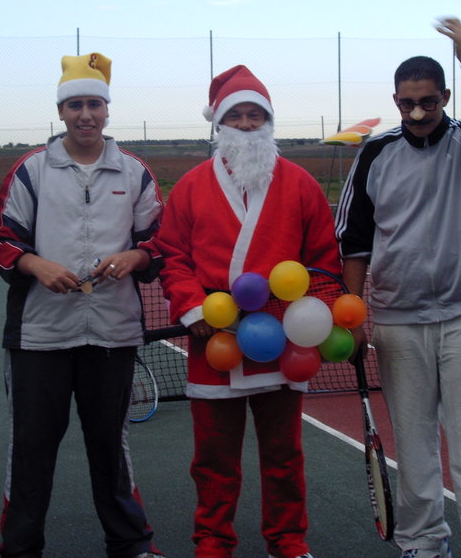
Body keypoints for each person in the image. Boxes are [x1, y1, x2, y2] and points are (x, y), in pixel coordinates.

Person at [335, 18, 461, 558]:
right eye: (407, 103)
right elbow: (354, 240)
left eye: (427, 102)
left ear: (444, 97)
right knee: (414, 447)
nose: (417, 112)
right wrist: (353, 318)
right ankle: (421, 542)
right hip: (398, 325)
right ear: (395, 101)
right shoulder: (375, 153)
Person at [154, 65, 340, 558]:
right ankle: (213, 541)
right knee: (213, 458)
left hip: (282, 339)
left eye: (255, 115)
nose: (245, 124)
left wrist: (316, 316)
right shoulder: (191, 186)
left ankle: (288, 540)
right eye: (234, 115)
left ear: (268, 121)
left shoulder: (300, 184)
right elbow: (172, 255)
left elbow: (324, 260)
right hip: (212, 338)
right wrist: (192, 308)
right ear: (219, 124)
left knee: (284, 453)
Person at [0, 53, 165, 558]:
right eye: (75, 106)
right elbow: (0, 240)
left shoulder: (134, 172)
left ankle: (130, 544)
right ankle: (20, 548)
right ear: (61, 112)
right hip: (40, 336)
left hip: (112, 333)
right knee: (31, 448)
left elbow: (160, 243)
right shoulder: (31, 170)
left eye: (94, 104)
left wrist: (134, 256)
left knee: (111, 446)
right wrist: (36, 265)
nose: (85, 115)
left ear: (106, 110)